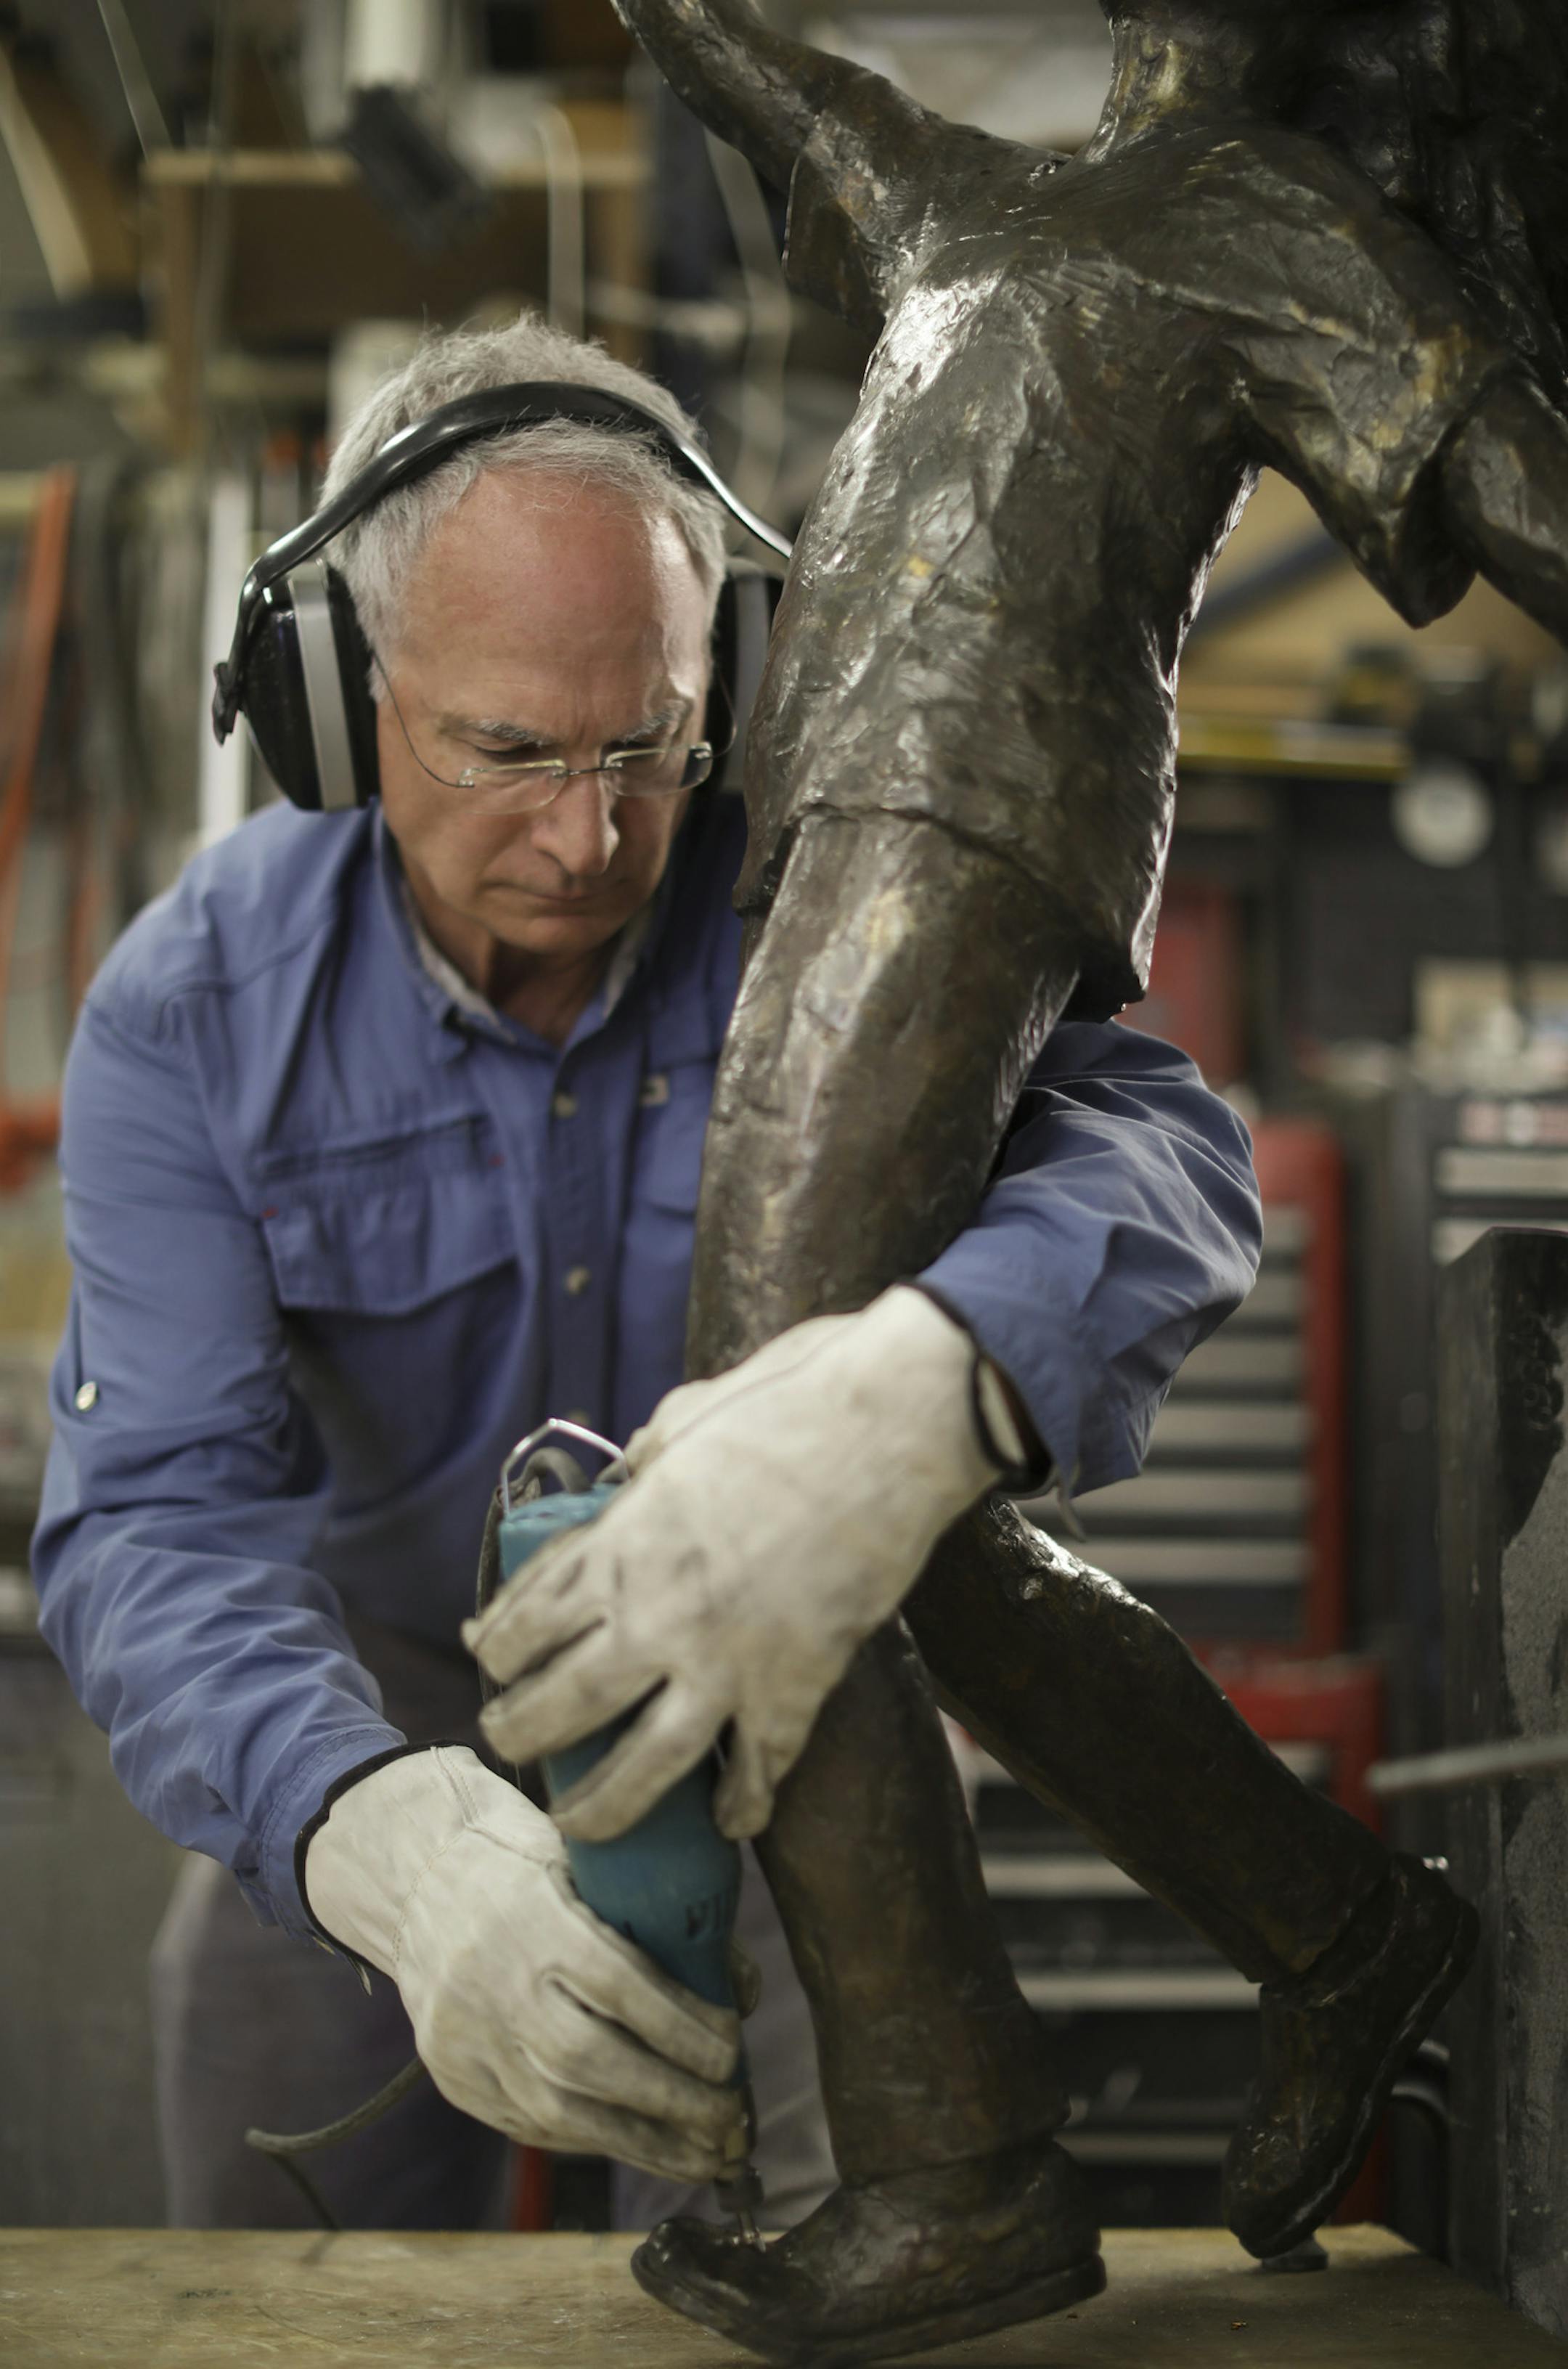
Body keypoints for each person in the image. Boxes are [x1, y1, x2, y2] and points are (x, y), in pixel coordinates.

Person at [30, 311, 1262, 2240]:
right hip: (367, 1723)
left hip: (786, 1736)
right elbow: (160, 1524)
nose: (589, 835)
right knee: (281, 2280)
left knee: (870, 2258)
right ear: (343, 701)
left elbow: (1170, 1158)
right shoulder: (194, 1015)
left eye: (652, 744)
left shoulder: (835, 915)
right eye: (507, 749)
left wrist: (938, 1380)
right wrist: (381, 1846)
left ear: (742, 684)